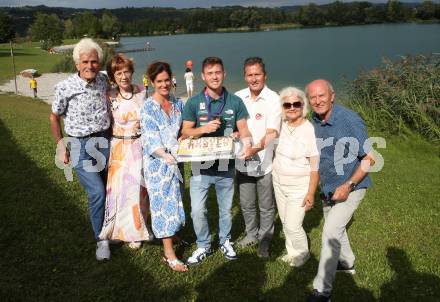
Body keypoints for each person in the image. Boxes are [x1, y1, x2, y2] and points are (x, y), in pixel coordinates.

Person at [305, 79, 375, 302]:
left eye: (322, 96)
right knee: (335, 228)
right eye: (313, 97)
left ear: (332, 96)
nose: (317, 101)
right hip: (328, 189)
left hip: (351, 186)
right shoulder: (313, 121)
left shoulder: (349, 119)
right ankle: (346, 262)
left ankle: (321, 292)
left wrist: (349, 185)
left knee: (330, 231)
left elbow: (369, 159)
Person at [181, 56, 252, 265]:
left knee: (225, 210)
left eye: (218, 72)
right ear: (202, 76)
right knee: (197, 210)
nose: (214, 76)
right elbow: (185, 131)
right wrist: (203, 129)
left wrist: (242, 140)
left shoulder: (235, 102)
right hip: (200, 169)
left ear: (224, 74)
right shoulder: (194, 102)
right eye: (210, 73)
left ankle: (225, 241)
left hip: (226, 168)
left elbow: (245, 130)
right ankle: (203, 244)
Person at [49, 38, 111, 261]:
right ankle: (101, 240)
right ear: (77, 64)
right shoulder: (65, 87)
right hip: (80, 146)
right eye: (85, 61)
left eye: (94, 61)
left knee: (108, 190)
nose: (90, 66)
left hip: (105, 142)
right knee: (97, 192)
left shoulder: (104, 80)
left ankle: (112, 230)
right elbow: (54, 116)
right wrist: (60, 145)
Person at [98, 53, 153, 249]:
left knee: (138, 190)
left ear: (132, 72)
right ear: (113, 76)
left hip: (139, 146)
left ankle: (138, 230)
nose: (124, 76)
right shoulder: (110, 95)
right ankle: (118, 229)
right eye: (119, 73)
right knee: (118, 191)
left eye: (127, 71)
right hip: (119, 148)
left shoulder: (141, 91)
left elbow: (149, 120)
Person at [140, 61, 188, 272]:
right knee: (162, 205)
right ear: (152, 82)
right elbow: (150, 140)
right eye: (159, 81)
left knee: (176, 199)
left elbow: (183, 131)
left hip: (177, 161)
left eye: (167, 80)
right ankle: (169, 255)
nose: (164, 84)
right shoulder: (148, 107)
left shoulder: (178, 104)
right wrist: (166, 156)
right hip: (158, 164)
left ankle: (174, 234)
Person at [234, 57, 281, 258]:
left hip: (264, 163)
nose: (254, 79)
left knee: (266, 205)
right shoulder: (237, 97)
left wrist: (255, 149)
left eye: (257, 74)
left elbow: (272, 132)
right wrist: (232, 133)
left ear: (265, 75)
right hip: (242, 162)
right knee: (246, 203)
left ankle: (264, 240)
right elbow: (231, 124)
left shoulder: (274, 99)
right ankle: (251, 234)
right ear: (245, 76)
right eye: (250, 74)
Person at [272, 87, 319, 267]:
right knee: (285, 221)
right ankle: (292, 252)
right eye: (287, 104)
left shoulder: (309, 130)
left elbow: (315, 167)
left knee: (293, 225)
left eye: (296, 104)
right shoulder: (281, 125)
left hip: (299, 186)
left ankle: (303, 253)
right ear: (282, 107)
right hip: (278, 182)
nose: (292, 107)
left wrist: (311, 193)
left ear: (303, 105)